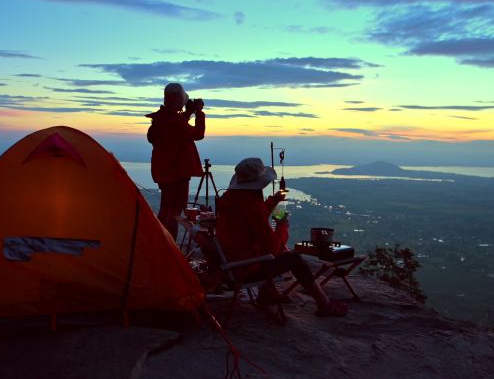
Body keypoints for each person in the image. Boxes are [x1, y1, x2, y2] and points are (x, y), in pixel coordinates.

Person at [216, 157, 348, 316]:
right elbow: (272, 249)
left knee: (269, 252)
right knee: (294, 258)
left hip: (231, 264)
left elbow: (248, 216)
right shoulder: (252, 206)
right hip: (246, 269)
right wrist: (282, 225)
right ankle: (324, 304)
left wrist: (274, 200)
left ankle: (267, 293)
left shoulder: (229, 199)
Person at [146, 83, 205, 241]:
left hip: (165, 172)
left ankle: (158, 242)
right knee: (175, 213)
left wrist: (188, 113)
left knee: (166, 209)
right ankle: (167, 245)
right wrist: (199, 113)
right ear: (179, 100)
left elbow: (177, 127)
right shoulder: (174, 122)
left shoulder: (161, 119)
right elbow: (198, 134)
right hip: (177, 172)